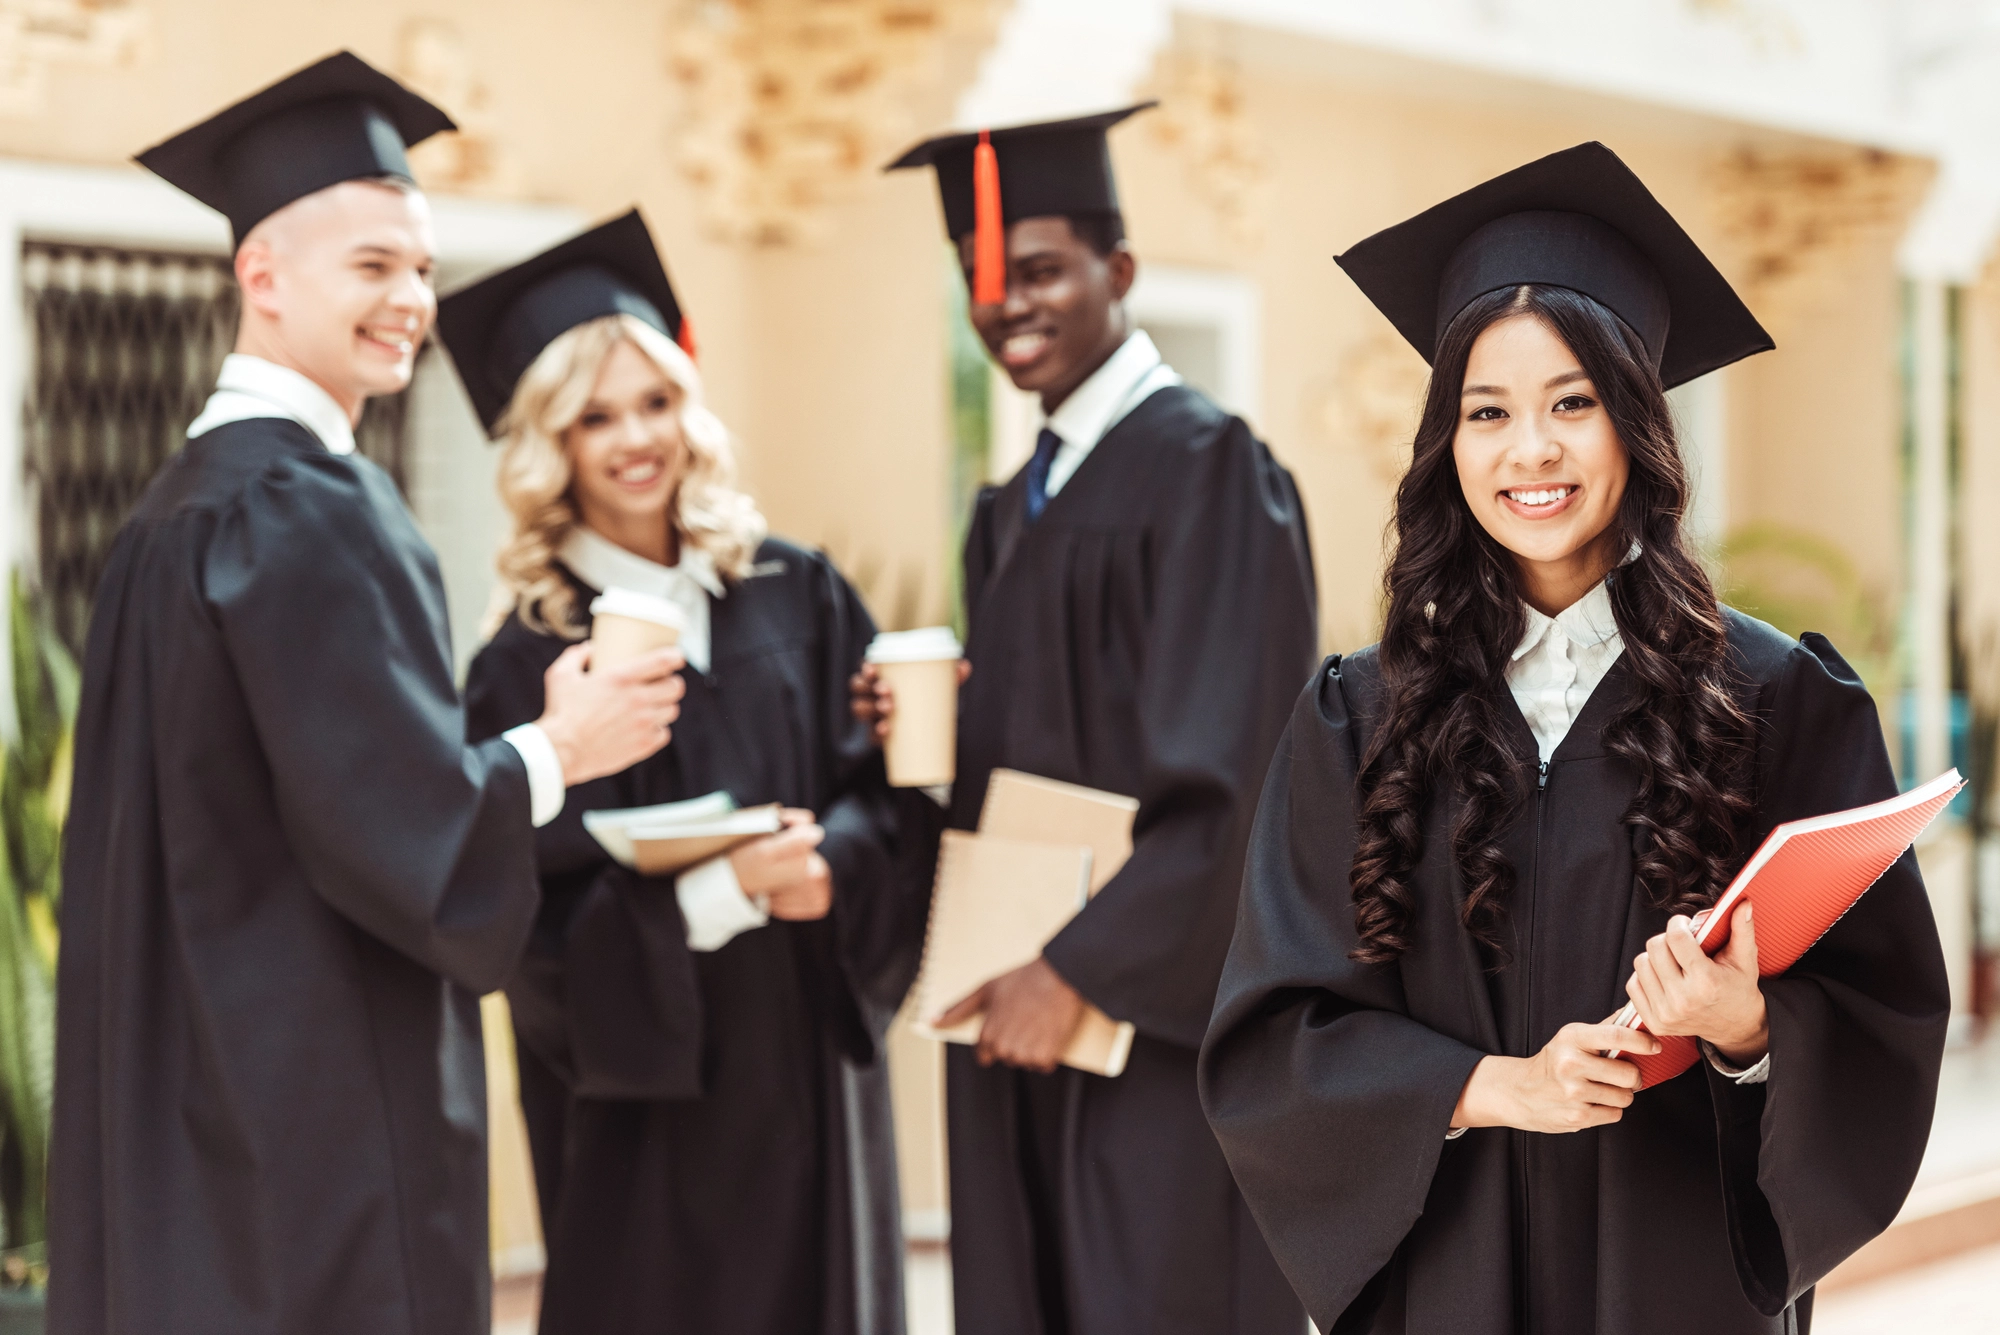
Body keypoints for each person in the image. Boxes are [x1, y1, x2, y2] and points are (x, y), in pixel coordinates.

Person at [1199, 142, 1951, 1335]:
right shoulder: (1357, 714)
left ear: (1634, 424)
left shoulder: (1771, 699)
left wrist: (1744, 1028)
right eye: (1485, 412)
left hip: (1675, 1283)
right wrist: (1492, 1087)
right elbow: (1274, 1036)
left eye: (1571, 404)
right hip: (1442, 1284)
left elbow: (1884, 1013)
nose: (1529, 452)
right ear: (1447, 443)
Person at [49, 54, 685, 1335]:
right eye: (373, 267)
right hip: (314, 1118)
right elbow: (400, 832)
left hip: (193, 1096)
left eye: (422, 269)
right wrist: (562, 746)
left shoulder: (173, 512)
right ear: (262, 275)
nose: (410, 301)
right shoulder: (305, 506)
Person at [441, 209, 933, 1335]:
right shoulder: (526, 658)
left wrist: (835, 873)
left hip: (811, 1070)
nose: (634, 439)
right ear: (547, 445)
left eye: (655, 402)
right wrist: (721, 894)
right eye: (593, 416)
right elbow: (516, 912)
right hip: (647, 1121)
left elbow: (880, 797)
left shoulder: (792, 592)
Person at [870, 107, 1319, 1335]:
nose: (1007, 305)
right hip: (1017, 1006)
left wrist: (1077, 971)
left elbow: (1236, 779)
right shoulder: (1011, 502)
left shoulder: (1209, 470)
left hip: (1142, 1025)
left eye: (1040, 271)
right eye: (983, 281)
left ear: (1117, 274)